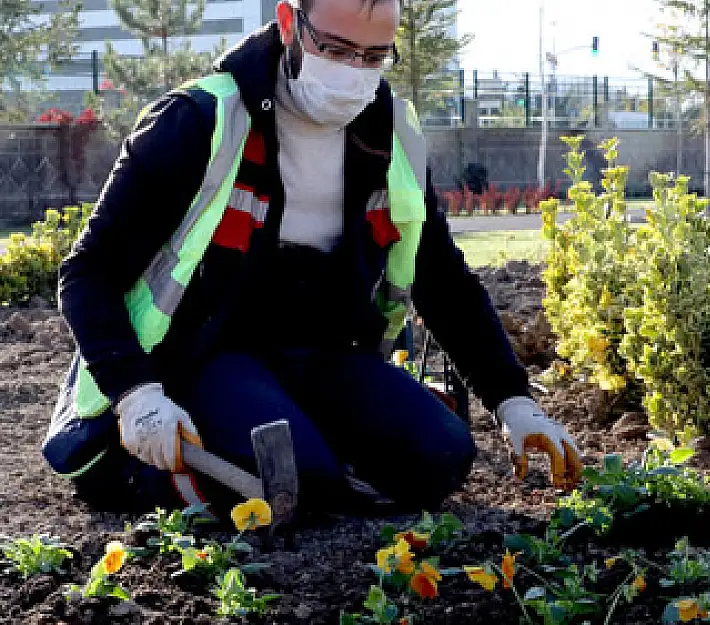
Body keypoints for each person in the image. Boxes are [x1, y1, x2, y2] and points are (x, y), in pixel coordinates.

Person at [41, 0, 583, 517]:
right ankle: (130, 463)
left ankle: (310, 450)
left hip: (324, 351)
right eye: (337, 49)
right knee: (300, 475)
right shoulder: (198, 122)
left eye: (374, 56)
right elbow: (88, 271)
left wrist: (514, 402)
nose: (354, 72)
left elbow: (442, 281)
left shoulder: (391, 136)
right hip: (205, 353)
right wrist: (137, 395)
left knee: (441, 457)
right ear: (288, 24)